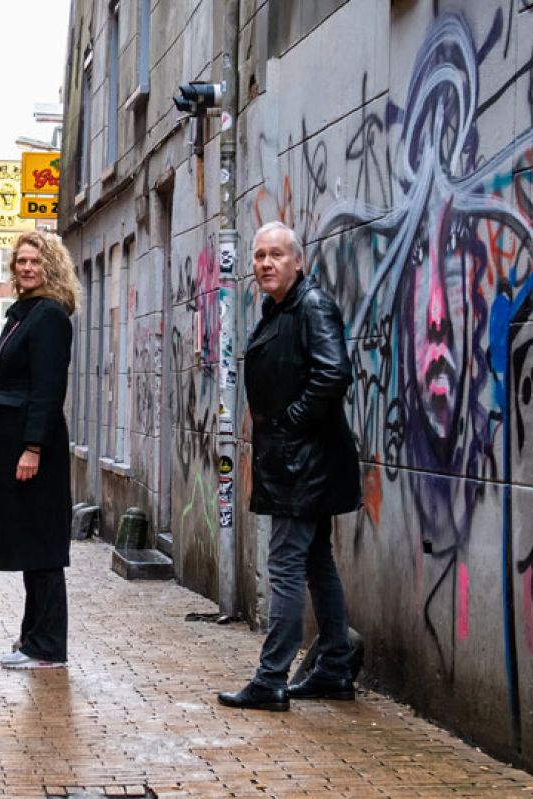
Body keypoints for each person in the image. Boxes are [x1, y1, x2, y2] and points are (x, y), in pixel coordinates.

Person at [217, 221, 361, 712]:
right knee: (317, 564)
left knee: (285, 566)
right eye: (259, 256)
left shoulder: (312, 306)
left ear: (298, 261)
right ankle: (335, 669)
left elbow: (333, 373)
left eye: (276, 255)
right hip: (299, 461)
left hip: (305, 464)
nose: (265, 264)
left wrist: (289, 425)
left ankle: (270, 678)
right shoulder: (279, 308)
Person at [0, 230, 79, 670]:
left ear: (50, 267)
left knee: (41, 546)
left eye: (35, 261)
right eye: (21, 261)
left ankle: (48, 646)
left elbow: (49, 389)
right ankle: (32, 637)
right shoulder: (24, 314)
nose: (27, 268)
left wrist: (32, 447)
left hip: (33, 445)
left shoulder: (50, 316)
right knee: (29, 543)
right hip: (12, 439)